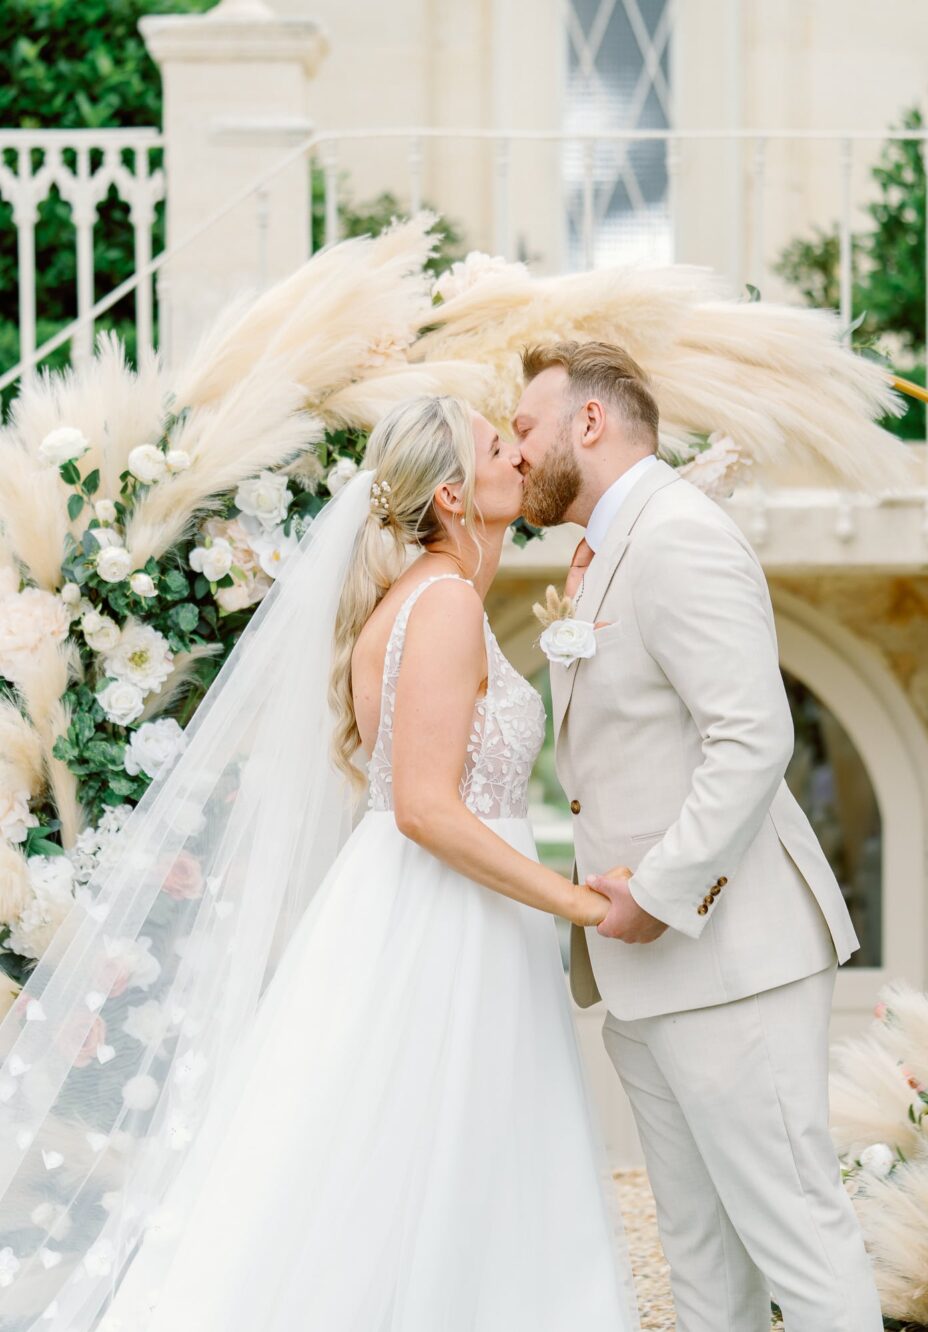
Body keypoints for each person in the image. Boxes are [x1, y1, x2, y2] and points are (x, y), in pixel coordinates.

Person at [5, 394, 637, 1332]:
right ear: (457, 497)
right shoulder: (447, 602)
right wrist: (577, 907)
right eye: (500, 448)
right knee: (440, 1149)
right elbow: (425, 806)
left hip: (439, 909)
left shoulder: (416, 599)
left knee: (411, 1156)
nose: (521, 456)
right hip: (450, 919)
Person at [512, 339, 884, 1332]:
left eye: (522, 428)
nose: (513, 453)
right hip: (648, 977)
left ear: (588, 422)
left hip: (730, 959)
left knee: (797, 1238)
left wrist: (660, 891)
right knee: (700, 1260)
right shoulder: (608, 552)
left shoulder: (678, 535)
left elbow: (753, 735)